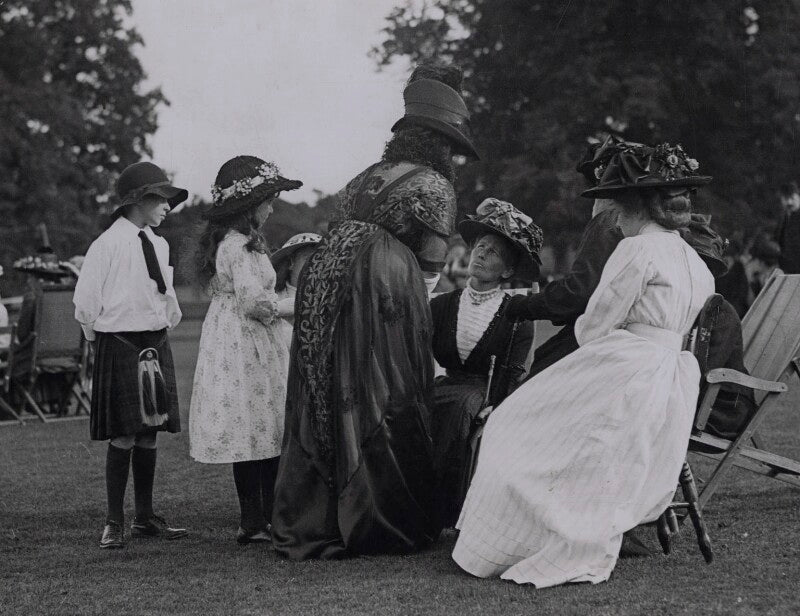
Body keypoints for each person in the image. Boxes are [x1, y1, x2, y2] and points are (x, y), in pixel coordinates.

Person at [453, 141, 715, 587]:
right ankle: (554, 526)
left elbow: (595, 325)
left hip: (629, 366)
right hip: (673, 377)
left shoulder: (637, 250)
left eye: (616, 203)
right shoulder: (695, 260)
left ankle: (522, 538)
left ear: (632, 207)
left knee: (511, 422)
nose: (612, 213)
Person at [271, 64, 478, 560]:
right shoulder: (433, 185)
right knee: (385, 391)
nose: (454, 160)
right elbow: (431, 261)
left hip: (325, 278)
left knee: (327, 387)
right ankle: (380, 518)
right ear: (438, 145)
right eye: (452, 148)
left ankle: (317, 515)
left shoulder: (363, 177)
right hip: (381, 284)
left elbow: (342, 229)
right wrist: (415, 323)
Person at [73, 161, 189, 549]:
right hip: (119, 342)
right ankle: (113, 521)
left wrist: (163, 326)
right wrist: (99, 340)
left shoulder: (159, 243)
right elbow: (86, 304)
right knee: (123, 435)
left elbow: (166, 296)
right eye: (161, 199)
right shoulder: (105, 245)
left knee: (150, 433)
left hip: (155, 340)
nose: (167, 207)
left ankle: (144, 517)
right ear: (139, 200)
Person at [188, 156, 300, 544]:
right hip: (245, 338)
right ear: (250, 205)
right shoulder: (240, 247)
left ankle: (260, 517)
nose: (271, 208)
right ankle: (257, 519)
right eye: (268, 201)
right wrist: (296, 306)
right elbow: (255, 303)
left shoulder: (232, 243)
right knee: (257, 424)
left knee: (257, 426)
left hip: (235, 336)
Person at [429, 198, 540, 526]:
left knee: (462, 406)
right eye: (479, 246)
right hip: (446, 383)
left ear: (507, 270)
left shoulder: (517, 313)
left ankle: (449, 509)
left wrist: (498, 404)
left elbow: (516, 370)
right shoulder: (442, 305)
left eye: (492, 252)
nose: (480, 254)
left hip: (486, 394)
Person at [504, 136, 626, 379]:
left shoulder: (609, 220)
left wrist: (523, 305)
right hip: (625, 336)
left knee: (534, 383)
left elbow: (579, 292)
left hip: (604, 335)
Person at [679, 215, 757, 440]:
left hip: (723, 409)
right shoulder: (693, 306)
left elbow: (706, 368)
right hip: (703, 399)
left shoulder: (720, 313)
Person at [270, 232, 321, 348]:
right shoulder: (272, 297)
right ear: (291, 263)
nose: (315, 266)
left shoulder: (326, 301)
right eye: (308, 258)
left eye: (320, 261)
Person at [776, 182, 800, 274]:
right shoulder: (784, 218)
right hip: (789, 269)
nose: (789, 202)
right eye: (786, 198)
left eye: (792, 198)